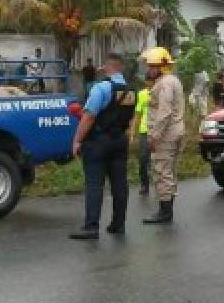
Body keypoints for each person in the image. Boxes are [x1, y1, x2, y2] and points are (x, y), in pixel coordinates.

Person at [68, 53, 136, 240]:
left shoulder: (101, 88)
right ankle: (118, 224)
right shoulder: (131, 90)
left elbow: (88, 117)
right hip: (120, 141)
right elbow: (129, 117)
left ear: (107, 67)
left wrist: (77, 140)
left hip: (99, 141)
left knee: (94, 184)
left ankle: (91, 227)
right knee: (120, 183)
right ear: (120, 67)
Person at [142, 47, 185, 225]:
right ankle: (167, 210)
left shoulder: (165, 84)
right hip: (175, 131)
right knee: (169, 171)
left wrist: (153, 136)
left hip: (166, 134)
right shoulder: (172, 81)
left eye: (152, 66)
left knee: (162, 171)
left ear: (161, 66)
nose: (148, 70)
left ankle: (165, 212)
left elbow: (165, 112)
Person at [133, 78, 152, 197]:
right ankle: (144, 184)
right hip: (144, 130)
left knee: (160, 160)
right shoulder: (142, 94)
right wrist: (132, 131)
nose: (151, 82)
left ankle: (164, 187)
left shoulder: (162, 92)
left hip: (159, 130)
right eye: (149, 81)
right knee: (143, 159)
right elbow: (138, 114)